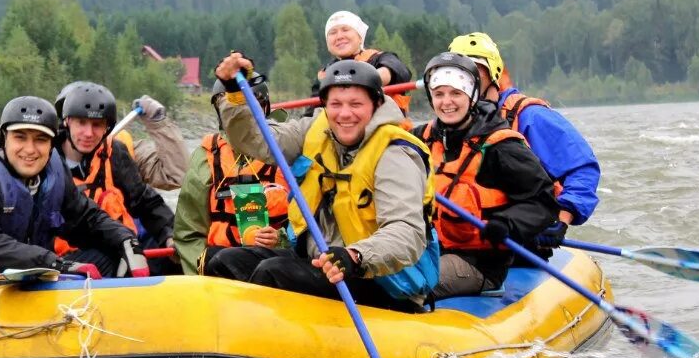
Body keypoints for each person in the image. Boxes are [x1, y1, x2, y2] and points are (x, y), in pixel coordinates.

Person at [205, 54, 437, 312]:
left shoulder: (395, 153)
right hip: (324, 262)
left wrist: (355, 256)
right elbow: (255, 140)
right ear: (325, 105)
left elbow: (406, 231)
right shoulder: (314, 130)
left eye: (356, 104)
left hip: (383, 279)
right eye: (335, 104)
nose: (345, 114)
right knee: (224, 260)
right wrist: (235, 95)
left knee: (274, 273)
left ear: (376, 103)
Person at [0, 96, 145, 333]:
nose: (30, 150)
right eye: (20, 137)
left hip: (26, 279)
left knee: (106, 256)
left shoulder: (53, 171)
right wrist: (54, 263)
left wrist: (126, 240)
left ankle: (101, 331)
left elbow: (85, 217)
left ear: (53, 144)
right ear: (5, 138)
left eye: (41, 139)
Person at [412, 53, 560, 299]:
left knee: (400, 285)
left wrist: (509, 223)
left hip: (478, 263)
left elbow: (544, 201)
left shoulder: (501, 146)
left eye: (456, 93)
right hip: (429, 250)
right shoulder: (421, 139)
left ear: (471, 96)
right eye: (439, 94)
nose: (446, 102)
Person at [449, 32, 601, 247]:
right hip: (470, 239)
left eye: (473, 69)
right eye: (457, 72)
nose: (465, 79)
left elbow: (582, 169)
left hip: (521, 237)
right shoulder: (449, 124)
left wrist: (562, 220)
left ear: (493, 73)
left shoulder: (530, 116)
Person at [52, 81, 177, 269]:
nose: (88, 133)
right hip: (68, 258)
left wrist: (169, 234)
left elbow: (145, 201)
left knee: (173, 252)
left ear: (107, 128)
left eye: (97, 125)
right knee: (109, 259)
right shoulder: (46, 159)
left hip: (119, 244)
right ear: (67, 121)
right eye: (81, 123)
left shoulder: (114, 152)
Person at [173, 78, 290, 275]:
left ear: (265, 107)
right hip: (219, 269)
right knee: (216, 258)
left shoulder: (289, 147)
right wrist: (202, 279)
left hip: (275, 266)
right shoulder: (206, 157)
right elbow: (189, 232)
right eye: (234, 108)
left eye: (251, 106)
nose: (241, 116)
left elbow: (310, 224)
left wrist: (281, 239)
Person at [310, 10, 414, 114]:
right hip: (340, 127)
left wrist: (363, 81)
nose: (339, 36)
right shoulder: (323, 76)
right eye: (332, 33)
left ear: (360, 37)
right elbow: (311, 114)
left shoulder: (381, 58)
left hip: (381, 127)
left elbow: (400, 72)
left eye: (345, 30)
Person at [114, 94, 188, 191]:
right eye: (86, 122)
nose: (88, 133)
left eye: (96, 124)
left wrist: (159, 123)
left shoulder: (125, 151)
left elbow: (178, 175)